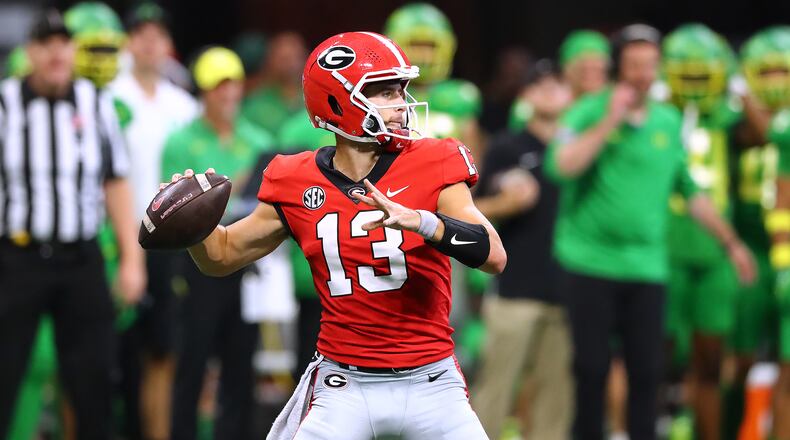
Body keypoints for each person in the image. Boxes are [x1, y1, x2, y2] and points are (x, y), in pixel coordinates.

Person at [163, 31, 505, 439]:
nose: (399, 103)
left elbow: (493, 255)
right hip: (345, 384)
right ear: (336, 102)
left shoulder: (435, 159)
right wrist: (194, 225)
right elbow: (221, 256)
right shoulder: (294, 178)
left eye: (400, 88)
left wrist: (424, 222)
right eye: (382, 91)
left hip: (432, 381)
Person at [546, 24, 755, 440]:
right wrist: (610, 121)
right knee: (590, 369)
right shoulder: (590, 110)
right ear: (618, 68)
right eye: (634, 65)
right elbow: (561, 166)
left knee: (648, 371)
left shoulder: (668, 119)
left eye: (650, 65)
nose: (643, 75)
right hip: (590, 263)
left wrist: (731, 243)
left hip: (647, 268)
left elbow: (688, 190)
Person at [0, 9, 145, 439]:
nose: (55, 52)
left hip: (82, 258)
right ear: (31, 52)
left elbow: (116, 184)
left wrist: (131, 260)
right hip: (18, 258)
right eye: (45, 43)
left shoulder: (95, 103)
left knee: (94, 381)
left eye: (63, 42)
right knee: (5, 372)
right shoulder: (5, 103)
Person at [162, 46, 274, 440]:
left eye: (233, 85)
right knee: (192, 364)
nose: (228, 94)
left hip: (245, 264)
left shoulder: (259, 139)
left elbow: (267, 207)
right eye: (218, 86)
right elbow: (171, 211)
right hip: (195, 268)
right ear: (204, 92)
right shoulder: (180, 141)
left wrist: (221, 201)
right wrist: (233, 195)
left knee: (240, 366)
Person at [108, 3, 198, 439]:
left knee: (164, 351)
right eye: (140, 32)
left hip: (169, 243)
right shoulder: (108, 97)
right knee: (110, 357)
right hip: (115, 238)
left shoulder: (182, 105)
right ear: (128, 41)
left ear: (168, 43)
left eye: (157, 33)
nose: (148, 41)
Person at [471, 59, 573, 440]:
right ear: (526, 95)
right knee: (493, 393)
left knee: (556, 400)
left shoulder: (577, 150)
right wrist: (506, 205)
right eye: (539, 85)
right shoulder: (507, 146)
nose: (549, 91)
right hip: (514, 291)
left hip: (566, 291)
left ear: (570, 93)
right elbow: (470, 211)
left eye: (557, 84)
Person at [661, 23, 745, 440]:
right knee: (657, 357)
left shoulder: (733, 115)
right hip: (664, 250)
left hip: (713, 252)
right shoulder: (657, 112)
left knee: (711, 359)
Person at [735, 26, 790, 440]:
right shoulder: (730, 118)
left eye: (781, 70)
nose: (775, 80)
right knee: (736, 358)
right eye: (765, 71)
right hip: (750, 249)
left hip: (782, 252)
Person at [240, 31, 307, 135]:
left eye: (295, 57)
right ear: (270, 61)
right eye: (284, 59)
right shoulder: (255, 105)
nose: (290, 65)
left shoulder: (313, 101)